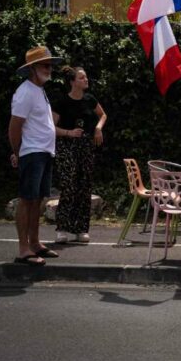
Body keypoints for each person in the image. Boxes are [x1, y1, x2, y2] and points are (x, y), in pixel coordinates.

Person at [8, 46, 65, 265]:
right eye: (45, 65)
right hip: (32, 153)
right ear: (32, 68)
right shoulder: (25, 92)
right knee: (26, 199)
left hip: (43, 152)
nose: (49, 69)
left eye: (50, 65)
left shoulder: (39, 90)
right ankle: (24, 248)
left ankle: (35, 242)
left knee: (38, 200)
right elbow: (14, 127)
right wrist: (17, 152)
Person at [52, 66, 107, 243]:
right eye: (82, 78)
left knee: (84, 187)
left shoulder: (90, 99)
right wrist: (68, 133)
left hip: (86, 146)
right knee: (69, 185)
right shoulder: (61, 102)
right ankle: (62, 228)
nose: (86, 80)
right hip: (66, 146)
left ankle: (81, 228)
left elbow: (103, 115)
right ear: (72, 82)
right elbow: (51, 127)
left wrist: (98, 128)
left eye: (86, 77)